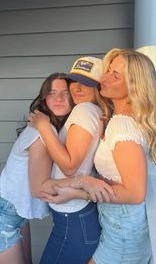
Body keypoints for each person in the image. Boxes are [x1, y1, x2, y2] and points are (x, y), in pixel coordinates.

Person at [42, 48, 156, 264]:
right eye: (108, 71)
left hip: (123, 238)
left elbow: (135, 193)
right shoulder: (116, 118)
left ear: (135, 85)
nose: (104, 78)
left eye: (115, 75)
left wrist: (78, 192)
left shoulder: (123, 126)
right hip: (116, 228)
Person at [0, 72, 74, 264]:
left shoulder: (52, 129)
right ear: (44, 99)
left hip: (10, 215)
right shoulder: (43, 131)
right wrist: (85, 185)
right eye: (52, 93)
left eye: (65, 93)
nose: (59, 98)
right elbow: (39, 188)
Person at [27, 56, 114, 264]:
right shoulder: (90, 111)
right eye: (74, 80)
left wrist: (43, 126)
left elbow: (70, 166)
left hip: (73, 221)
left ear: (99, 87)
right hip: (76, 217)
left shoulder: (84, 111)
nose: (78, 87)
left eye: (87, 82)